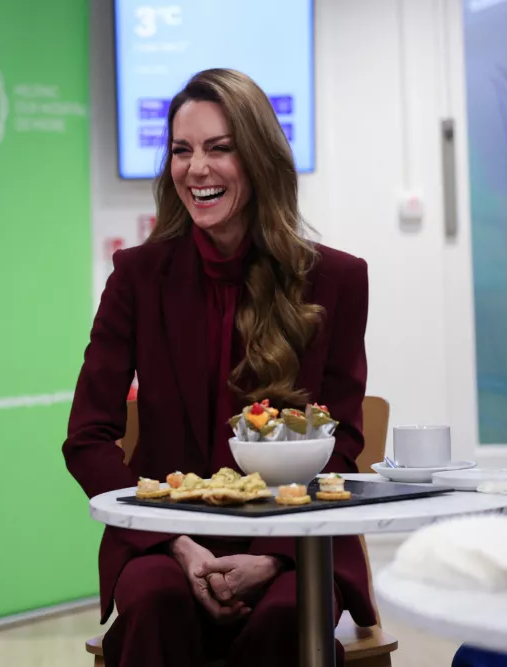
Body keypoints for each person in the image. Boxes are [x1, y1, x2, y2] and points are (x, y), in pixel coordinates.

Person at [63, 69, 374, 666]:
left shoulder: (336, 278)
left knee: (289, 614)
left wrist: (273, 552)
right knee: (155, 603)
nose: (196, 168)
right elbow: (86, 438)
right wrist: (173, 540)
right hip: (163, 537)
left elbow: (342, 441)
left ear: (258, 159)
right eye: (182, 150)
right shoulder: (136, 276)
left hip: (295, 540)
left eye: (219, 148)